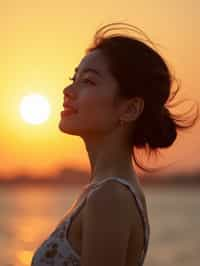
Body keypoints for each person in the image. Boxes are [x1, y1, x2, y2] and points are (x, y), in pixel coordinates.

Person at [31, 22, 199, 266]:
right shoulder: (103, 191)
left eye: (88, 81)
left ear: (130, 109)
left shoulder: (109, 197)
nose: (68, 90)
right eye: (73, 78)